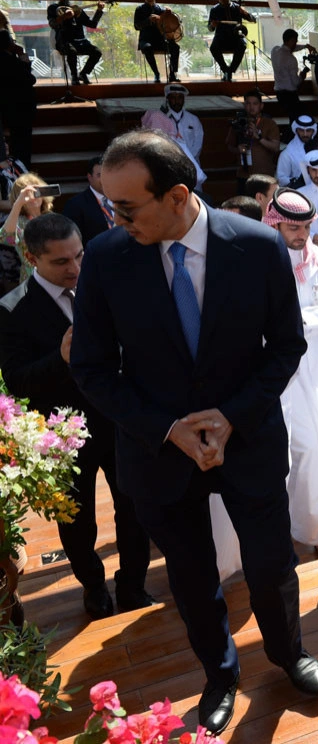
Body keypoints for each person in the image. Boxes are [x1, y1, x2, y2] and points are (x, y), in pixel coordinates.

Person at [70, 130, 318, 736]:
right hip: (158, 453)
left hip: (250, 440)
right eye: (110, 206)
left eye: (126, 207)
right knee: (190, 575)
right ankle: (219, 674)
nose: (115, 218)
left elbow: (285, 346)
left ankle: (288, 652)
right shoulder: (106, 257)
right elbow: (92, 368)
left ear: (178, 196)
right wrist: (167, 429)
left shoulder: (259, 246)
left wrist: (231, 416)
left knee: (271, 565)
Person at [0, 213, 153, 619]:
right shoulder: (12, 310)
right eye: (61, 261)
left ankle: (133, 585)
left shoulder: (102, 286)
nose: (75, 268)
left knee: (134, 507)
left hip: (119, 421)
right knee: (77, 520)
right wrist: (62, 358)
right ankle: (93, 587)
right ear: (32, 258)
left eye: (79, 255)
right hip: (64, 436)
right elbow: (17, 382)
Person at [261, 189, 318, 556]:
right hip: (274, 373)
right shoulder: (258, 263)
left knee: (317, 449)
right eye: (293, 228)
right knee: (278, 456)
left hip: (317, 371)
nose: (302, 235)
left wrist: (300, 322)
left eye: (306, 227)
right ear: (275, 224)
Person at [140, 83, 207, 190]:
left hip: (191, 164)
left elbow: (198, 144)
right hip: (169, 166)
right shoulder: (159, 119)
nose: (177, 101)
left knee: (195, 194)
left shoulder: (193, 119)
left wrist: (185, 159)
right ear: (167, 99)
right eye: (173, 98)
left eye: (180, 98)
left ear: (184, 99)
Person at [2, 173, 55, 290]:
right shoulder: (18, 221)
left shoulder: (51, 217)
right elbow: (5, 238)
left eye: (36, 192)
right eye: (27, 194)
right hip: (32, 278)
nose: (32, 197)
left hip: (55, 274)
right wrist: (18, 203)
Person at [226, 89, 281, 193]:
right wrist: (237, 149)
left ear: (261, 106)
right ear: (244, 105)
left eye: (255, 104)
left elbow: (275, 147)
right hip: (244, 175)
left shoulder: (270, 123)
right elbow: (229, 146)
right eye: (248, 103)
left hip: (264, 175)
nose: (251, 107)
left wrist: (259, 138)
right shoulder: (238, 122)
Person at [47, 0, 103, 86]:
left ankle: (83, 74)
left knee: (97, 52)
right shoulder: (53, 8)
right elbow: (53, 24)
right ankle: (74, 76)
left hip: (80, 42)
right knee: (71, 51)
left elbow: (92, 24)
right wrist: (64, 16)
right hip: (63, 42)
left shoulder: (76, 9)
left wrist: (99, 10)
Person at [0, 32, 36, 170]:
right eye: (12, 41)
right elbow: (29, 79)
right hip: (19, 108)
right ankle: (22, 171)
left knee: (17, 142)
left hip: (9, 107)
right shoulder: (10, 60)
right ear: (9, 44)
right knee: (22, 145)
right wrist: (23, 59)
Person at [61, 158, 113, 248]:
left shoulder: (121, 198)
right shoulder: (75, 205)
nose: (105, 179)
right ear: (90, 177)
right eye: (99, 175)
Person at [278, 115, 318, 189]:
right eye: (301, 130)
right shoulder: (287, 153)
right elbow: (281, 179)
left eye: (308, 130)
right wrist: (300, 182)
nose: (305, 134)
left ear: (313, 131)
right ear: (296, 130)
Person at [133, 0, 179, 84]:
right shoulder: (139, 9)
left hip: (160, 39)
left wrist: (169, 14)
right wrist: (148, 20)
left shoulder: (161, 9)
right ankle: (156, 74)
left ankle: (172, 74)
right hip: (146, 39)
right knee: (147, 47)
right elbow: (136, 26)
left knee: (175, 47)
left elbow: (169, 25)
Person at [207, 0, 254, 81]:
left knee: (242, 45)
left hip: (235, 38)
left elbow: (253, 20)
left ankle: (230, 71)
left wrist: (245, 13)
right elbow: (210, 28)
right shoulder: (214, 9)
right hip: (221, 38)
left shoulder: (237, 8)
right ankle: (225, 70)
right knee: (213, 48)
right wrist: (212, 25)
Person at [271, 29, 314, 123]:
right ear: (291, 40)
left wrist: (306, 46)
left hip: (279, 93)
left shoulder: (274, 50)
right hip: (290, 95)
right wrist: (302, 75)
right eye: (295, 41)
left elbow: (290, 48)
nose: (296, 43)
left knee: (293, 118)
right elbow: (295, 83)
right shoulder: (291, 59)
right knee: (298, 120)